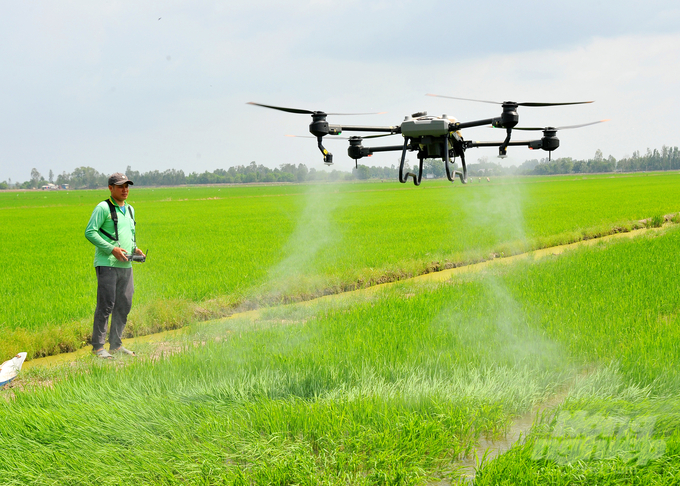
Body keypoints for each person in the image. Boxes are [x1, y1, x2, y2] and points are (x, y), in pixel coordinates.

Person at [85, 173, 145, 358]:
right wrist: (112, 249)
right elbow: (90, 232)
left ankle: (116, 345)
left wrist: (135, 249)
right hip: (107, 264)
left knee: (124, 304)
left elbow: (129, 235)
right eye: (120, 186)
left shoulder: (130, 209)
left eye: (127, 186)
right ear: (110, 188)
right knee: (106, 305)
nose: (125, 189)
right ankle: (98, 347)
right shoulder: (103, 208)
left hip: (126, 265)